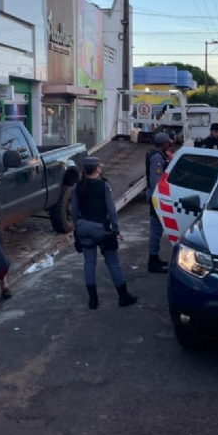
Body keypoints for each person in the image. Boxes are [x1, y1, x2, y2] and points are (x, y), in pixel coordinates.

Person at [72, 157, 137, 310]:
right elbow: (112, 211)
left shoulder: (77, 186)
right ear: (96, 169)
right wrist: (116, 230)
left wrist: (77, 227)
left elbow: (74, 211)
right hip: (101, 229)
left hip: (83, 227)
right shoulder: (103, 186)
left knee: (89, 263)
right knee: (112, 261)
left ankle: (93, 301)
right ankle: (123, 296)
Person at [145, 132, 171, 273]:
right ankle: (152, 261)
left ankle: (155, 257)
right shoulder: (156, 157)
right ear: (165, 143)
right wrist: (160, 199)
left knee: (157, 229)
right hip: (156, 196)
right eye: (168, 142)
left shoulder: (159, 155)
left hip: (155, 196)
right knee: (156, 230)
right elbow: (156, 181)